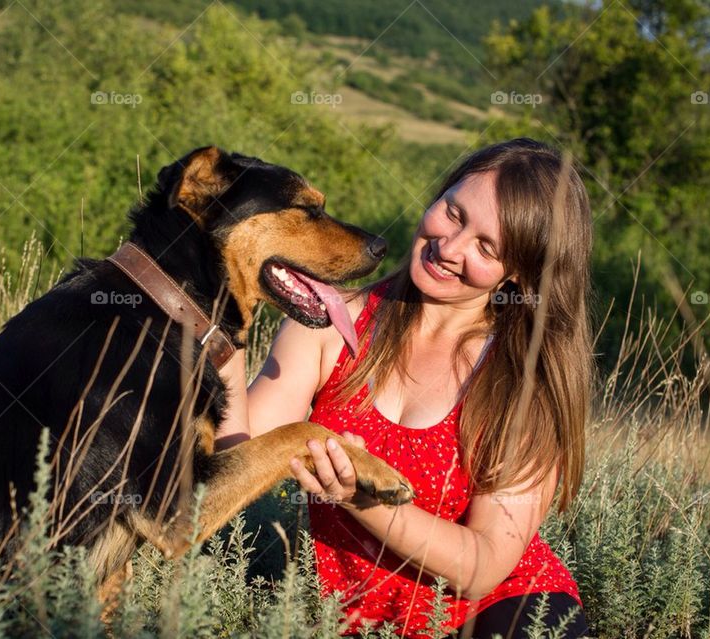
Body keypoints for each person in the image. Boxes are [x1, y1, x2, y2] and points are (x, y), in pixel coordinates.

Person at [216, 138, 594, 638]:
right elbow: (234, 453)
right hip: (360, 622)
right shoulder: (332, 323)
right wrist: (225, 317)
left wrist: (361, 497)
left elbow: (482, 566)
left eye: (486, 247)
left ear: (519, 272)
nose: (449, 248)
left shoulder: (523, 380)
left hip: (502, 613)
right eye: (453, 214)